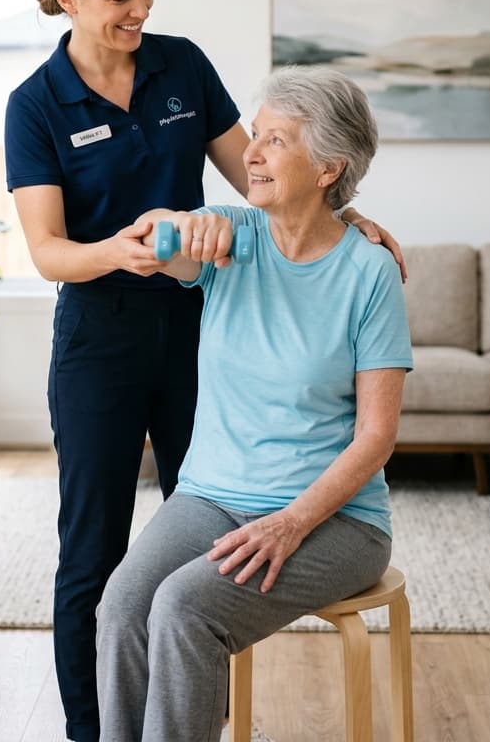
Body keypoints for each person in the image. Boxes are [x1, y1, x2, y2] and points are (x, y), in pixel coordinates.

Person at [4, 0, 405, 742]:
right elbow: (47, 251)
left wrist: (347, 217)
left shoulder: (180, 65)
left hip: (200, 325)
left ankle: (189, 722)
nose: (141, 8)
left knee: (196, 589)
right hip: (104, 338)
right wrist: (123, 249)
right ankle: (92, 733)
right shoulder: (35, 104)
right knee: (97, 560)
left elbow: (267, 173)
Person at [95, 64, 412, 742]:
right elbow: (148, 242)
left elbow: (376, 436)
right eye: (256, 133)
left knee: (184, 607)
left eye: (276, 140)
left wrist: (290, 522)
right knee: (123, 604)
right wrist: (173, 222)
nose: (251, 154)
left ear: (328, 168)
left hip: (336, 520)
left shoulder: (369, 271)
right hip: (211, 495)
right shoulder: (229, 238)